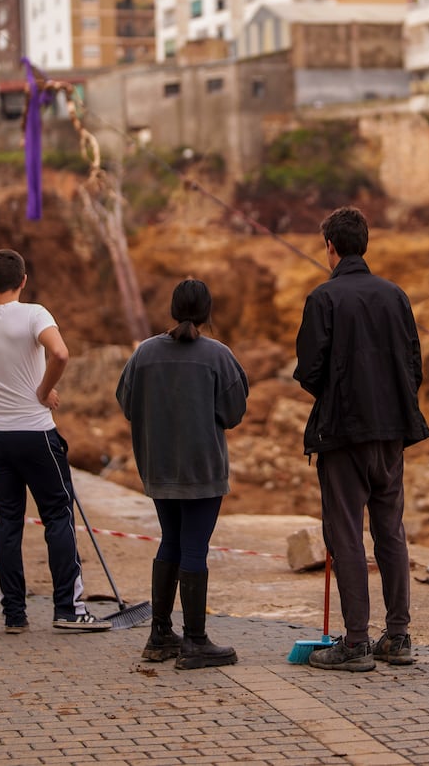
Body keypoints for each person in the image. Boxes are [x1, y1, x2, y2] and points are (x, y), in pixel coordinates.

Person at [294, 206, 429, 673]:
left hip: (343, 435)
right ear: (364, 244)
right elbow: (414, 367)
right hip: (391, 434)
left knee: (346, 532)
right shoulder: (396, 296)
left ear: (330, 247)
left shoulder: (323, 298)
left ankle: (355, 643)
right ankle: (398, 637)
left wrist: (340, 395)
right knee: (390, 530)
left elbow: (309, 371)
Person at [0, 248, 109, 634]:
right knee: (58, 515)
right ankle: (68, 610)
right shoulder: (35, 313)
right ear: (23, 280)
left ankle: (14, 615)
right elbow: (60, 352)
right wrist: (42, 390)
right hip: (36, 432)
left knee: (8, 520)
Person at [116, 278, 248, 669]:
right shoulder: (218, 356)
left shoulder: (144, 354)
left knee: (170, 541)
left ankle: (159, 635)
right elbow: (234, 413)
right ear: (208, 314)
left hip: (159, 468)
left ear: (172, 310)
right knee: (194, 548)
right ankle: (194, 641)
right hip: (202, 470)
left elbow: (126, 402)